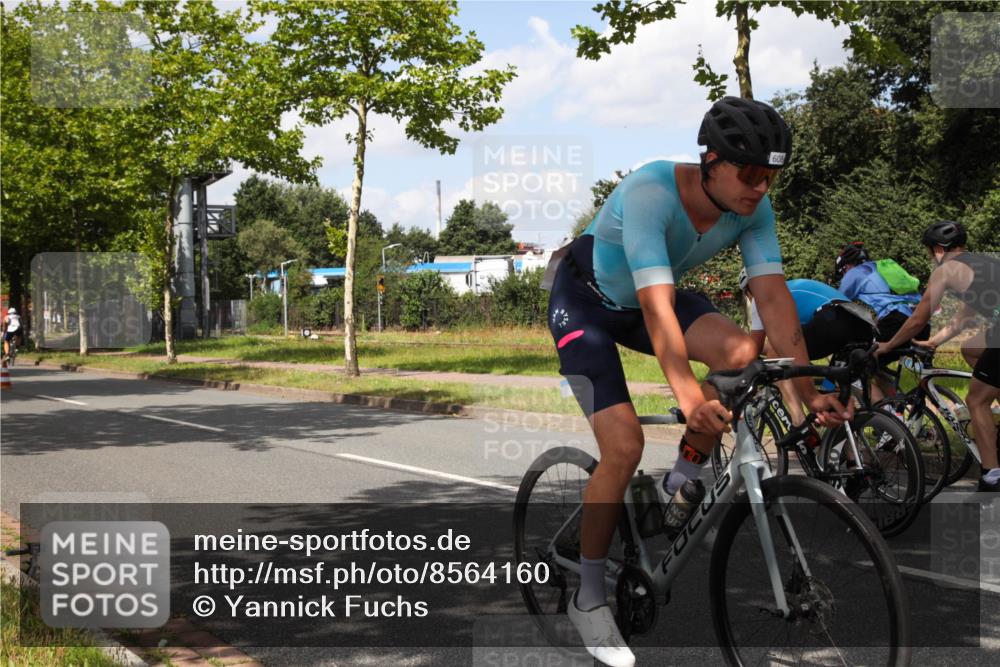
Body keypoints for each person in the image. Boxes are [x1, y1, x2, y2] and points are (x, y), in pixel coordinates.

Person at [544, 96, 851, 667]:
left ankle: (679, 482)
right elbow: (657, 307)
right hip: (585, 304)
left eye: (771, 176)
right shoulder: (651, 192)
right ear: (710, 160)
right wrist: (688, 396)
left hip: (643, 303)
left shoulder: (753, 208)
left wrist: (809, 390)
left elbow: (773, 299)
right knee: (624, 445)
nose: (761, 187)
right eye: (750, 173)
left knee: (740, 351)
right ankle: (587, 598)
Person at [877, 220, 1000, 492]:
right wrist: (933, 341)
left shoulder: (945, 271)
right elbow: (963, 320)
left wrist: (888, 346)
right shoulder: (980, 264)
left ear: (938, 249)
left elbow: (918, 319)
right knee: (970, 348)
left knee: (977, 399)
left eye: (930, 251)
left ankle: (992, 475)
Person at [742, 272, 876, 425]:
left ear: (748, 291)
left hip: (833, 318)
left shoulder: (762, 296)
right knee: (843, 384)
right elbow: (786, 342)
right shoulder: (789, 289)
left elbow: (756, 346)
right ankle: (886, 419)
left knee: (776, 355)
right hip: (861, 323)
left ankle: (799, 422)